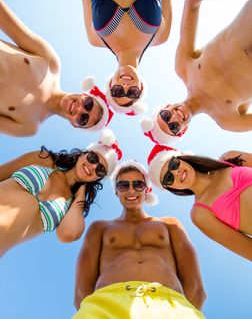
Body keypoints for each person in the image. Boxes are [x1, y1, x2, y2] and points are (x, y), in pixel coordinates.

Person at [73, 160, 206, 318]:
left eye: (138, 184)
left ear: (146, 189)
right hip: (106, 303)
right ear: (116, 191)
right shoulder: (100, 228)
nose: (131, 190)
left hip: (169, 304)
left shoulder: (169, 224)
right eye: (123, 185)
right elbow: (82, 288)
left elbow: (194, 283)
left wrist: (182, 309)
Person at [152, 0, 252, 139]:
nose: (174, 118)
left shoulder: (183, 67)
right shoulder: (227, 120)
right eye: (174, 127)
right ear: (183, 131)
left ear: (165, 108)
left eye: (166, 117)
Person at [0, 0, 113, 137]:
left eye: (83, 118)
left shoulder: (29, 126)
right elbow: (7, 21)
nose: (80, 109)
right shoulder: (51, 64)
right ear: (85, 95)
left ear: (74, 125)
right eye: (89, 104)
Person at [0, 129, 122, 256]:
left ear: (98, 179)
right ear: (82, 155)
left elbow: (67, 233)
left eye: (100, 170)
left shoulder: (72, 206)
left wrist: (80, 196)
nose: (93, 166)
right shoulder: (43, 159)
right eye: (93, 158)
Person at [80, 0, 172, 115]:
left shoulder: (94, 38)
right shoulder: (161, 36)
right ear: (141, 86)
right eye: (133, 92)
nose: (125, 86)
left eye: (117, 91)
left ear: (110, 84)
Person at [147, 144, 252, 261]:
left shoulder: (229, 159)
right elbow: (246, 249)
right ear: (172, 188)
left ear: (183, 159)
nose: (176, 172)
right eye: (168, 178)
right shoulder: (200, 214)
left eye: (174, 164)